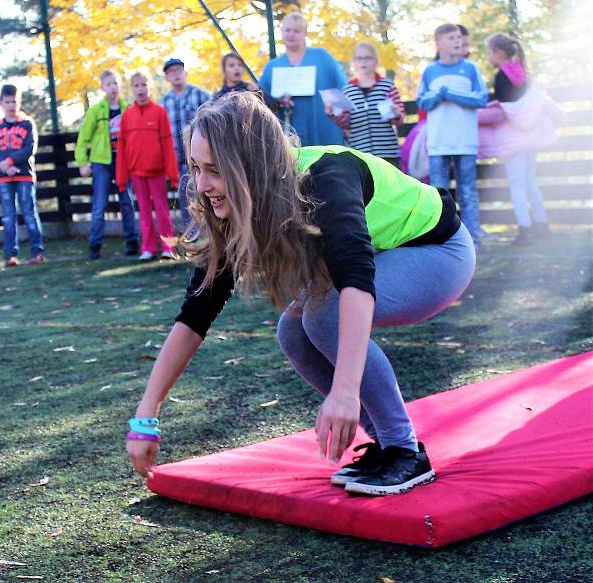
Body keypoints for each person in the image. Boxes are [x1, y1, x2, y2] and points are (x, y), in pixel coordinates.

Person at [125, 92, 476, 496]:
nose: (202, 186)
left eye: (215, 170)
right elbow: (196, 314)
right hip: (386, 256)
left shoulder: (327, 177)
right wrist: (145, 414)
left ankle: (404, 450)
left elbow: (355, 281)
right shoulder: (233, 205)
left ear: (250, 167)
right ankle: (388, 444)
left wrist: (345, 392)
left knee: (322, 316)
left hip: (439, 253)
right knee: (292, 331)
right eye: (195, 168)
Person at [478, 33, 563, 245]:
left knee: (516, 184)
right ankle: (542, 226)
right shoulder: (525, 73)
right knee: (531, 182)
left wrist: (485, 112)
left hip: (512, 139)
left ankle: (525, 230)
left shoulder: (501, 77)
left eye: (489, 52)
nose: (489, 56)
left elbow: (506, 111)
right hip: (531, 136)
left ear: (498, 53)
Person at [417, 23, 487, 246]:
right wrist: (439, 95)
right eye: (451, 37)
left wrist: (451, 94)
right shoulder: (429, 71)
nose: (457, 41)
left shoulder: (471, 68)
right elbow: (422, 101)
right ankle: (444, 239)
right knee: (439, 195)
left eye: (458, 37)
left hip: (465, 143)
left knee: (468, 192)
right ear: (438, 43)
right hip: (438, 143)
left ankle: (473, 239)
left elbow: (481, 99)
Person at [75, 70, 139, 260]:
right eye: (109, 84)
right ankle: (95, 244)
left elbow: (134, 138)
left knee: (127, 202)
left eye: (116, 83)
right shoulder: (96, 110)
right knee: (99, 205)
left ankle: (132, 241)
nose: (113, 87)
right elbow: (83, 138)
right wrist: (83, 162)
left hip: (122, 162)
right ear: (103, 87)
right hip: (101, 162)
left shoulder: (127, 109)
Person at [258, 12, 347, 146]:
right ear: (281, 32)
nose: (291, 34)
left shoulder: (322, 58)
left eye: (296, 31)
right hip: (289, 136)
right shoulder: (272, 66)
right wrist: (277, 101)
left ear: (305, 33)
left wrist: (343, 121)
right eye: (287, 30)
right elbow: (262, 102)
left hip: (324, 133)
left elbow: (343, 89)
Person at [116, 72, 179, 261]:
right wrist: (121, 178)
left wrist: (173, 174)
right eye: (136, 86)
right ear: (131, 89)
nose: (140, 89)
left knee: (163, 210)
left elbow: (168, 145)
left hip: (157, 172)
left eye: (144, 85)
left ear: (150, 87)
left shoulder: (159, 112)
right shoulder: (127, 115)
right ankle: (148, 248)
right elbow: (122, 147)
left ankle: (170, 249)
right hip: (136, 173)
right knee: (143, 211)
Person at [0, 84, 46, 267]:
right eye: (7, 102)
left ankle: (38, 252)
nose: (11, 105)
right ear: (1, 103)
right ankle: (10, 255)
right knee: (8, 216)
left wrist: (10, 162)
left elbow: (29, 148)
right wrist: (4, 167)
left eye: (14, 101)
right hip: (4, 178)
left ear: (19, 102)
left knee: (29, 213)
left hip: (24, 176)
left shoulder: (27, 124)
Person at [327, 42, 404, 168]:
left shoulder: (387, 86)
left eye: (368, 58)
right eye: (359, 58)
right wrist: (333, 113)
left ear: (376, 61)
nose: (363, 62)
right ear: (354, 63)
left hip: (387, 151)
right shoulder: (348, 91)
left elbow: (399, 119)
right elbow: (346, 124)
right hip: (360, 152)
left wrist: (396, 113)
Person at [161, 58, 210, 234]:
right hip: (179, 162)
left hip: (202, 161)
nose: (176, 74)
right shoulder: (163, 103)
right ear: (167, 77)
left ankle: (211, 236)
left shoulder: (200, 95)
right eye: (171, 72)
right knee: (186, 201)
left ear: (185, 72)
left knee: (207, 196)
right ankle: (193, 238)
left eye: (178, 70)